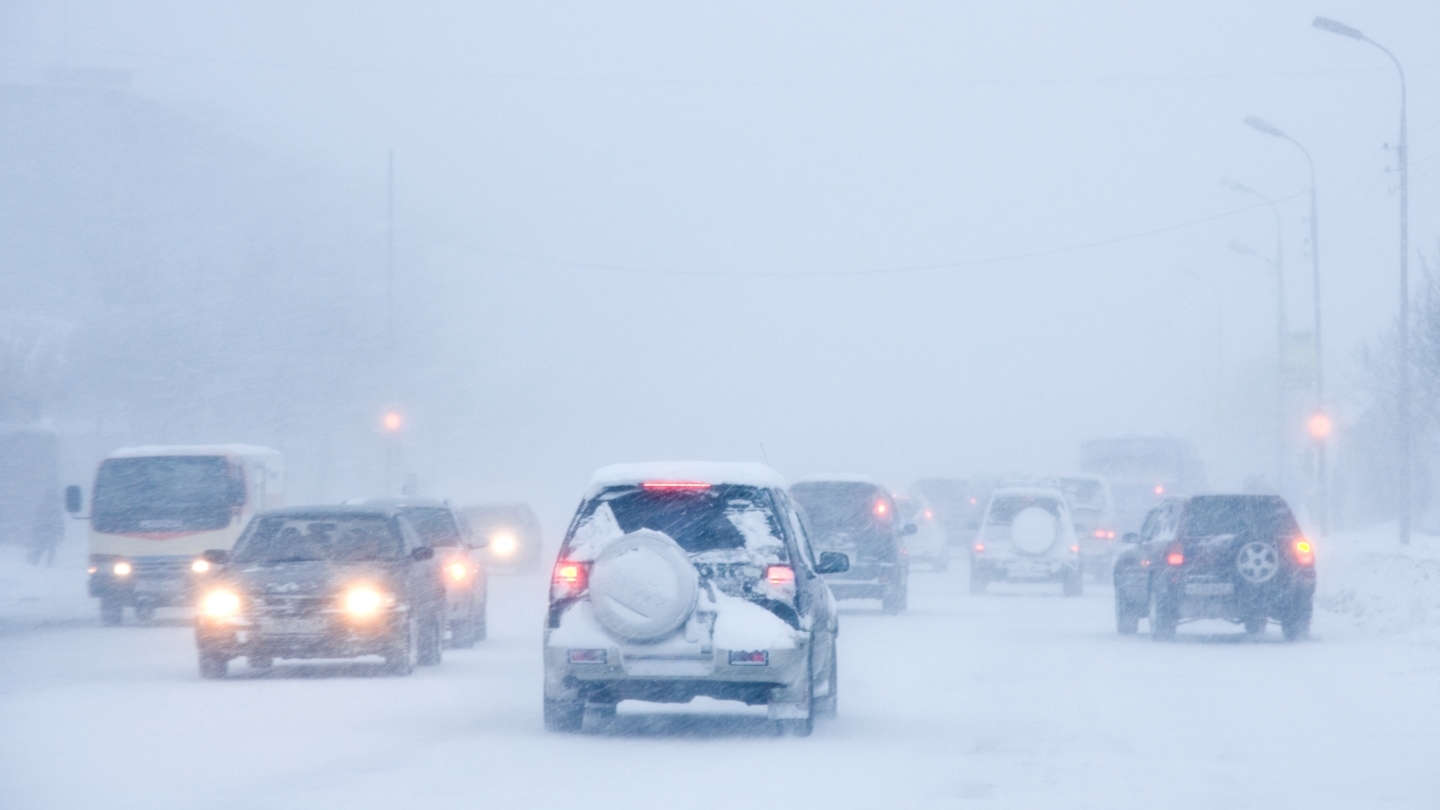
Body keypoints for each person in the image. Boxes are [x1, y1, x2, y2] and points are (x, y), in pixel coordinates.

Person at [28, 489, 64, 567]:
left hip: (49, 533)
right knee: (40, 550)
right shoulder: (42, 508)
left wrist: (61, 532)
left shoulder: (55, 509)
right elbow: (36, 521)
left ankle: (47, 567)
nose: (53, 500)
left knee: (49, 551)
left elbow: (59, 521)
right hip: (43, 533)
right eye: (52, 497)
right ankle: (33, 565)